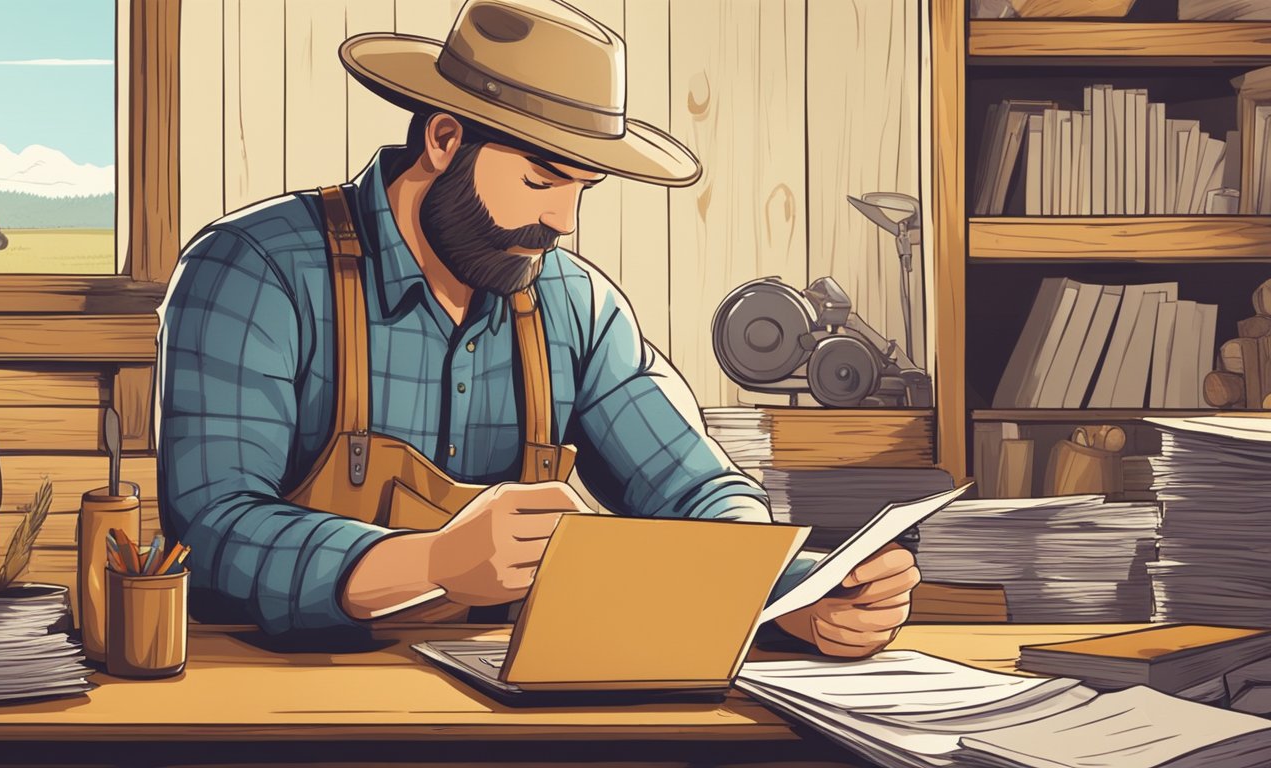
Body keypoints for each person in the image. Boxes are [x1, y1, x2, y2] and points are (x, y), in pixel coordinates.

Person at [155, 0, 919, 657]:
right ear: (445, 140)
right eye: (540, 180)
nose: (563, 221)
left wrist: (796, 594)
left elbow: (697, 493)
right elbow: (213, 528)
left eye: (583, 188)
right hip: (276, 708)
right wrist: (430, 564)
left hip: (504, 707)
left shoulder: (571, 306)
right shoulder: (257, 269)